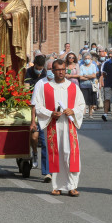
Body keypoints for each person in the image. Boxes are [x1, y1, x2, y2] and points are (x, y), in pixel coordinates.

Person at [33, 59, 85, 196]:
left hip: (69, 125)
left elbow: (82, 105)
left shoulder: (73, 87)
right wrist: (51, 113)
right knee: (56, 155)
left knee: (70, 154)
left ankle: (72, 186)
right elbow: (37, 106)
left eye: (63, 69)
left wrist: (72, 111)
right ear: (53, 71)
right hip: (53, 125)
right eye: (57, 70)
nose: (61, 72)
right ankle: (57, 186)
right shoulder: (46, 87)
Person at [30, 59, 54, 182]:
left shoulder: (62, 83)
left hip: (58, 119)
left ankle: (57, 169)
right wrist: (33, 121)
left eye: (52, 69)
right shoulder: (40, 83)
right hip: (44, 119)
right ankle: (47, 172)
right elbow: (33, 103)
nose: (51, 71)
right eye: (49, 69)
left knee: (57, 145)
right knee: (45, 144)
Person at [79, 52, 99, 119]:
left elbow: (94, 75)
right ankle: (84, 113)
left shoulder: (93, 65)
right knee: (84, 100)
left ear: (91, 59)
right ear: (83, 59)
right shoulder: (81, 66)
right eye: (86, 58)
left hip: (92, 85)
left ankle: (90, 113)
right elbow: (81, 77)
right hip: (83, 85)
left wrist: (86, 76)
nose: (87, 59)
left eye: (88, 58)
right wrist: (89, 77)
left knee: (92, 100)